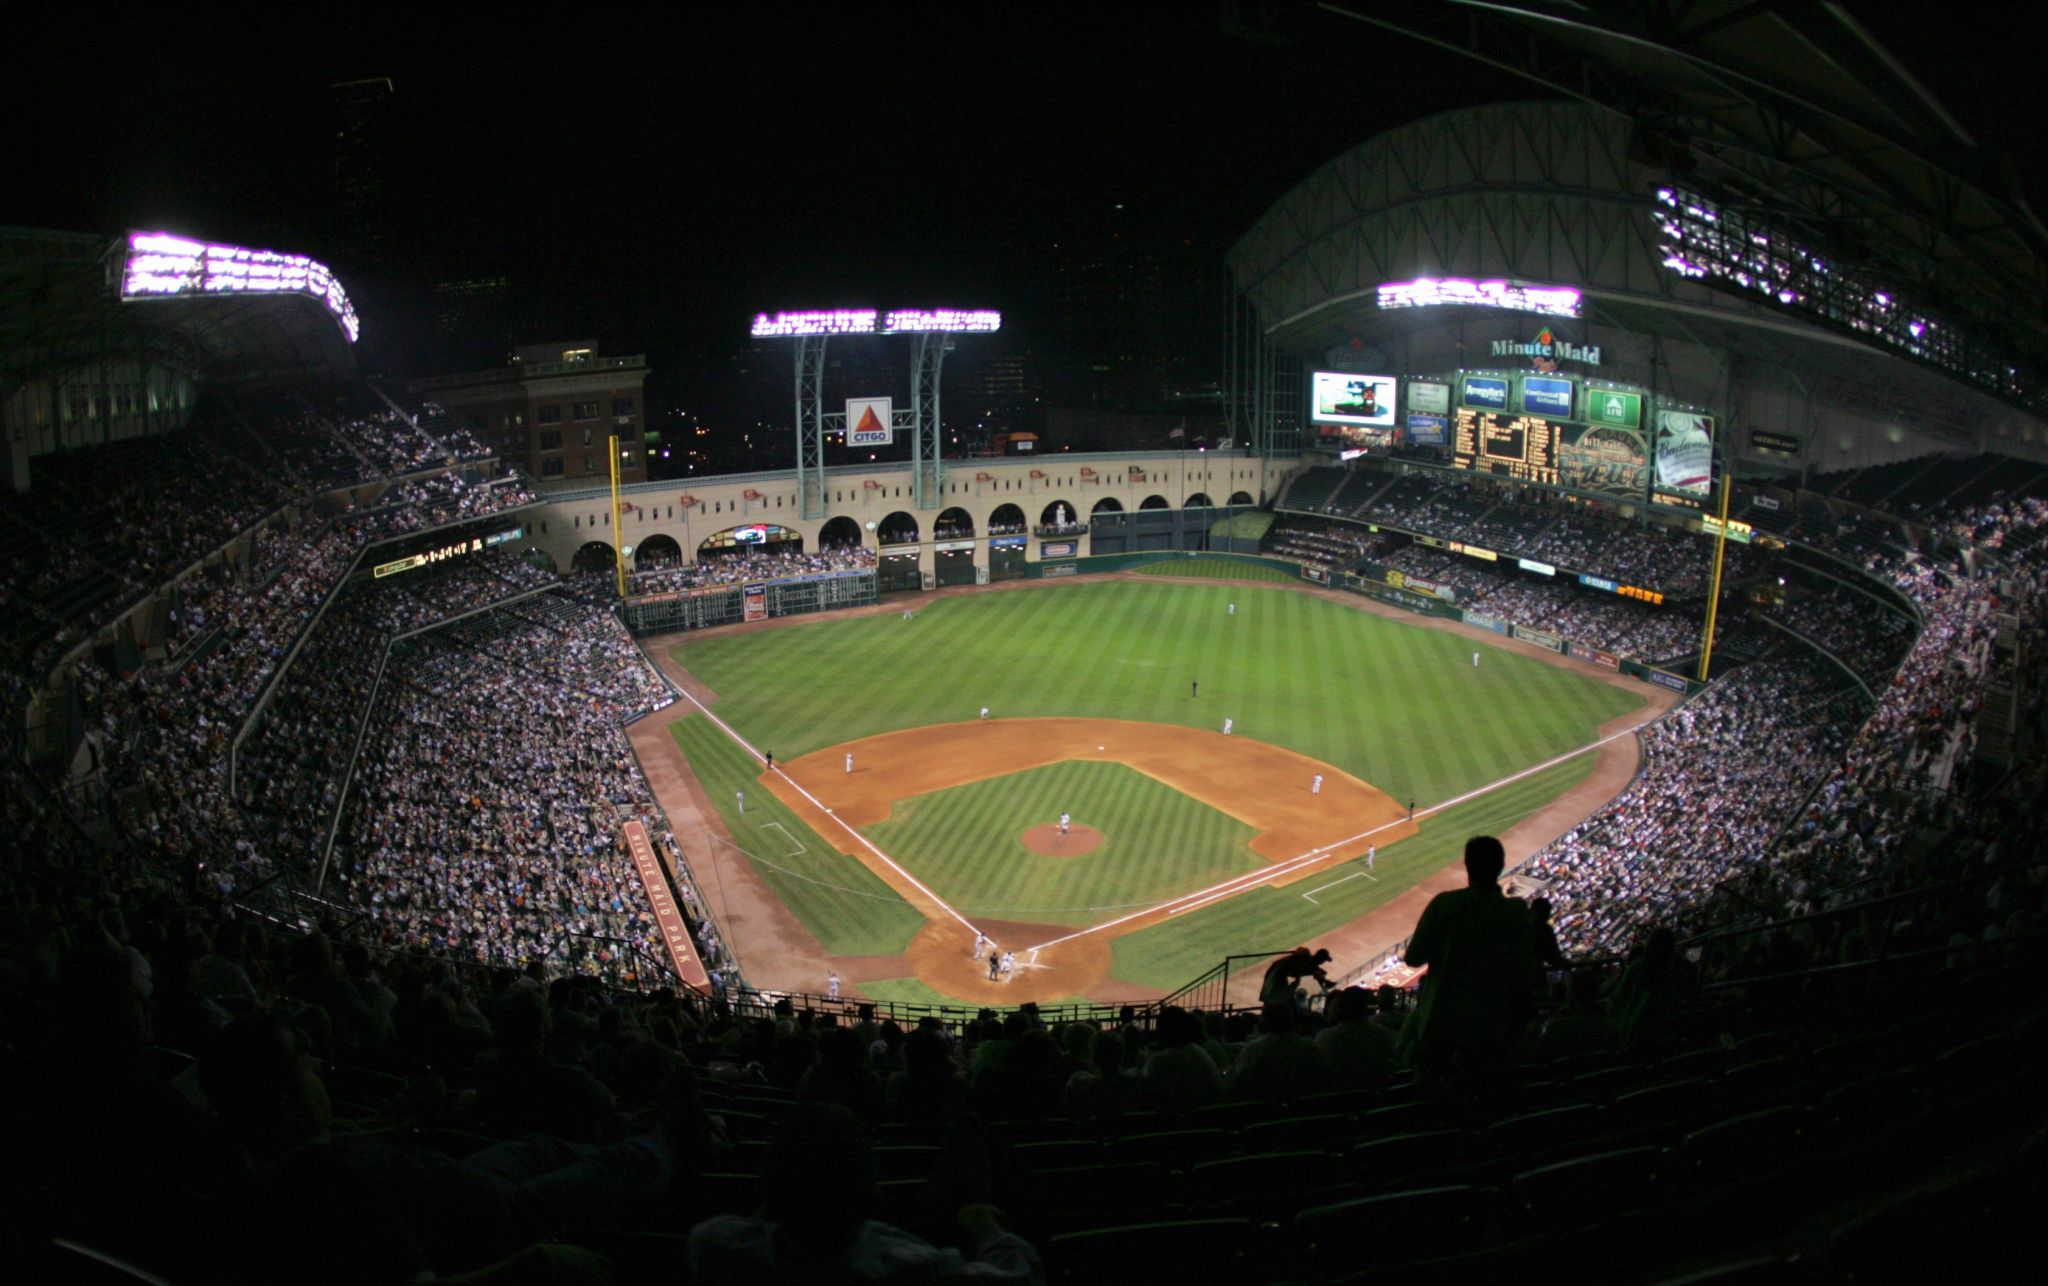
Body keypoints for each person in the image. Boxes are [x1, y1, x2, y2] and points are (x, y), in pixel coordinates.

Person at [1401, 835, 1541, 1082]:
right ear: (1500, 865)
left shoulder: (1447, 903)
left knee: (1433, 1096)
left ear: (1467, 864)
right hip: (1497, 1024)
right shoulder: (1517, 911)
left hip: (1444, 1021)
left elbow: (1413, 957)